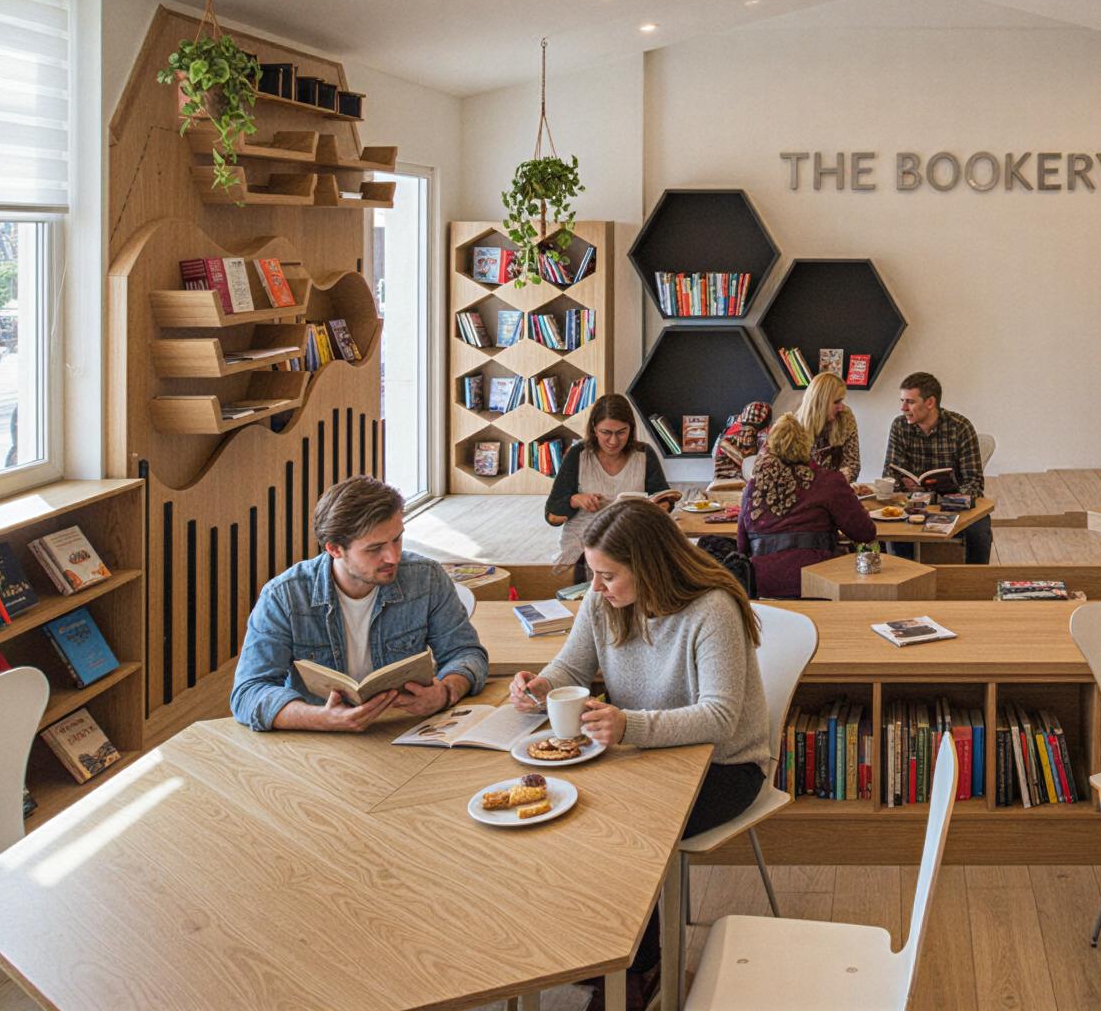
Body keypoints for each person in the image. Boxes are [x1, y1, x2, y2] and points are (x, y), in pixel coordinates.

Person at [505, 499, 769, 1009]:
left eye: (607, 576)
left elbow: (720, 718)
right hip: (645, 755)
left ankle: (638, 966)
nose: (596, 587)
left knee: (621, 831)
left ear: (648, 567)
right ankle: (602, 951)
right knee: (569, 814)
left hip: (725, 764)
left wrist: (630, 725)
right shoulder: (603, 601)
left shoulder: (713, 609)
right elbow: (570, 668)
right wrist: (539, 686)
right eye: (593, 574)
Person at [230, 476, 489, 732]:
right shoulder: (284, 596)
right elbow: (248, 693)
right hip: (316, 740)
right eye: (375, 549)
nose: (393, 557)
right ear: (335, 549)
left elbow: (466, 653)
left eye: (397, 539)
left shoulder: (426, 578)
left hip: (404, 729)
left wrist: (445, 692)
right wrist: (322, 718)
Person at [738, 414, 876, 598]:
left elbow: (742, 545)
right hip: (817, 583)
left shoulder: (754, 487)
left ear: (770, 446)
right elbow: (865, 532)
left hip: (764, 588)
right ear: (806, 445)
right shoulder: (827, 481)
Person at [545, 394, 674, 580]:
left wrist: (657, 506)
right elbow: (552, 515)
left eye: (621, 432)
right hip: (586, 538)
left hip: (633, 534)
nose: (613, 441)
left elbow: (664, 498)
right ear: (594, 429)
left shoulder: (643, 453)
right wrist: (575, 500)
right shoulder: (578, 454)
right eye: (606, 432)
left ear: (631, 429)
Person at [883, 371, 991, 563]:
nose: (903, 408)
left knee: (979, 532)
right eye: (902, 401)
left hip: (954, 504)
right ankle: (907, 577)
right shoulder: (900, 426)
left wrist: (945, 500)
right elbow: (889, 474)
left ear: (930, 402)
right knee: (889, 531)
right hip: (914, 503)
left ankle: (975, 580)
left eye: (910, 402)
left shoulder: (960, 427)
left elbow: (974, 482)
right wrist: (902, 485)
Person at [794, 371, 861, 482]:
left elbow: (853, 465)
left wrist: (846, 475)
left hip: (837, 488)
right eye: (836, 402)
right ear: (821, 402)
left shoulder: (845, 418)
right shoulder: (794, 428)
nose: (841, 407)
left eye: (841, 401)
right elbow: (792, 474)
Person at [711, 400, 772, 481]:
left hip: (719, 485)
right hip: (743, 487)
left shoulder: (729, 437)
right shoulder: (760, 444)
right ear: (765, 427)